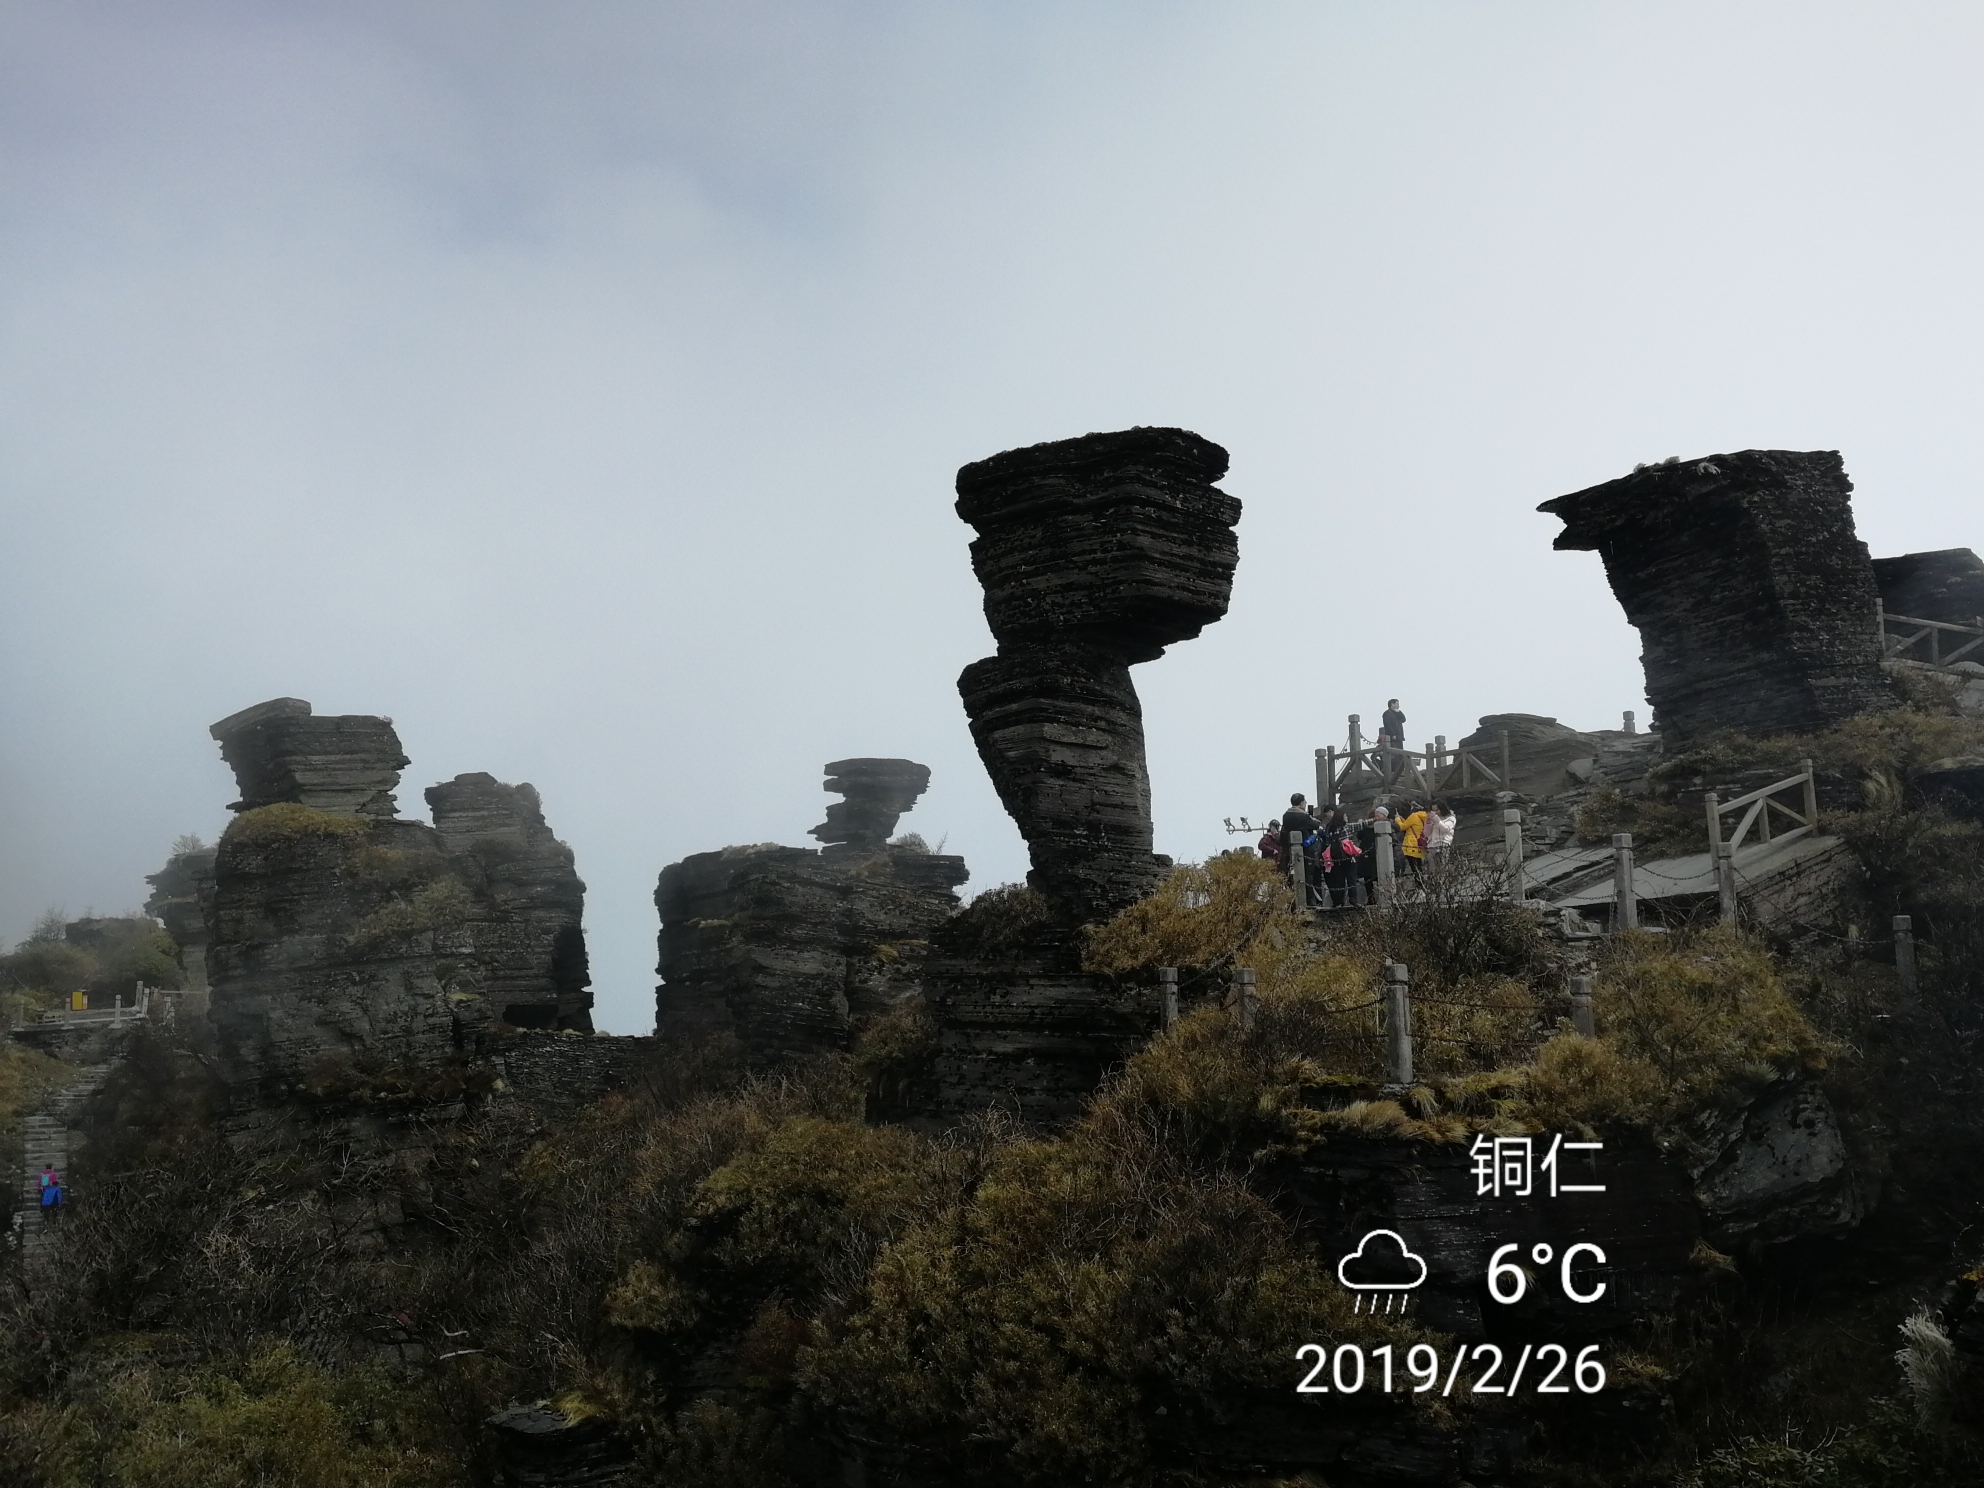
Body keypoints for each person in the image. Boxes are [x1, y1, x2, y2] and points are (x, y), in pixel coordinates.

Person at [1281, 794, 1321, 906]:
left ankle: (1294, 901)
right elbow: (1316, 825)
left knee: (1292, 876)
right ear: (1301, 802)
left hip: (1290, 849)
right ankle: (1310, 901)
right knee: (1308, 875)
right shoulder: (1303, 816)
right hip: (1306, 848)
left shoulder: (1286, 815)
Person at [1321, 808, 1361, 908]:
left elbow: (1327, 843)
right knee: (1351, 878)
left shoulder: (1329, 828)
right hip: (1349, 857)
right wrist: (1375, 819)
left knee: (1339, 881)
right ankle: (1353, 899)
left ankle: (1339, 902)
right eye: (1345, 816)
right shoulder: (1346, 827)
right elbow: (1362, 824)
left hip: (1336, 858)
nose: (1346, 818)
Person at [1398, 800, 1429, 881]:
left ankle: (1419, 887)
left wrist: (1398, 819)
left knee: (1415, 869)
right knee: (1419, 867)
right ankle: (1422, 886)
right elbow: (1412, 826)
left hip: (1411, 844)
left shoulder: (1414, 816)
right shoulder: (1425, 817)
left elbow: (1402, 827)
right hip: (1419, 844)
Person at [1424, 801, 1457, 869]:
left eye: (1437, 810)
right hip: (1432, 846)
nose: (1435, 812)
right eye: (1433, 810)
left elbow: (1445, 829)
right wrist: (1428, 822)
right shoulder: (1432, 818)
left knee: (1443, 867)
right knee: (1432, 869)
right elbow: (1427, 833)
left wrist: (1436, 819)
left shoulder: (1451, 818)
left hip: (1443, 845)